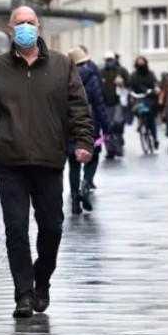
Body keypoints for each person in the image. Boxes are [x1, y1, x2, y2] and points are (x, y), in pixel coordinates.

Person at [0, 6, 93, 318]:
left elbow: (79, 108)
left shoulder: (62, 65)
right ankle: (24, 293)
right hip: (10, 161)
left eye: (31, 22)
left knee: (52, 227)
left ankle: (42, 279)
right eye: (20, 23)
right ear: (10, 28)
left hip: (48, 159)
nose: (26, 27)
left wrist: (83, 142)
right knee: (16, 228)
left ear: (39, 27)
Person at [67, 47, 111, 214]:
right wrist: (106, 127)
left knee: (73, 163)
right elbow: (100, 104)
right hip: (91, 123)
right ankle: (85, 185)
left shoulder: (65, 77)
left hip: (70, 125)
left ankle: (74, 200)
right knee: (93, 156)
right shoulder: (93, 77)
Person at [101, 51, 130, 159]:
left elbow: (129, 83)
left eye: (111, 60)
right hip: (104, 103)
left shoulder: (121, 70)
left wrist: (123, 83)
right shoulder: (101, 72)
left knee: (117, 125)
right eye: (107, 60)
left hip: (118, 102)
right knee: (106, 127)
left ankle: (118, 147)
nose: (109, 62)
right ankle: (110, 150)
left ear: (115, 60)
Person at [129, 55, 160, 150]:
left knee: (151, 118)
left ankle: (154, 138)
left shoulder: (150, 74)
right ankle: (140, 123)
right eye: (139, 63)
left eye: (142, 63)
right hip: (138, 98)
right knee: (137, 109)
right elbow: (130, 85)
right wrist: (130, 92)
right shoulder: (133, 75)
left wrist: (156, 88)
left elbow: (156, 83)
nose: (141, 65)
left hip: (149, 97)